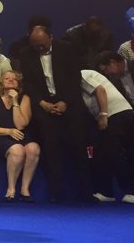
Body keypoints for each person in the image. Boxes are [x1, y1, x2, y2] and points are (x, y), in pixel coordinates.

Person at [19, 25, 91, 202]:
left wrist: (65, 101)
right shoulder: (25, 54)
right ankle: (56, 194)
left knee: (78, 148)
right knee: (51, 152)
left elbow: (75, 78)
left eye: (42, 44)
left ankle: (85, 192)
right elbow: (28, 83)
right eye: (36, 46)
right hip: (44, 107)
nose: (40, 49)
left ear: (50, 37)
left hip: (70, 106)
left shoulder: (67, 49)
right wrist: (42, 103)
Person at [80, 69, 134, 204]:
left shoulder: (82, 74)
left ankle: (131, 191)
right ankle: (106, 192)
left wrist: (104, 115)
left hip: (116, 114)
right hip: (112, 116)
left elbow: (100, 90)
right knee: (104, 154)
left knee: (118, 154)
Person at [0, 70, 40, 202]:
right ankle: (11, 189)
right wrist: (8, 131)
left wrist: (15, 101)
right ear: (1, 83)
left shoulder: (24, 98)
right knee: (18, 149)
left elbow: (20, 125)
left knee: (34, 148)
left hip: (20, 135)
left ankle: (25, 190)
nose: (10, 81)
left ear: (18, 83)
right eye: (7, 79)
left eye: (14, 79)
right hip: (1, 136)